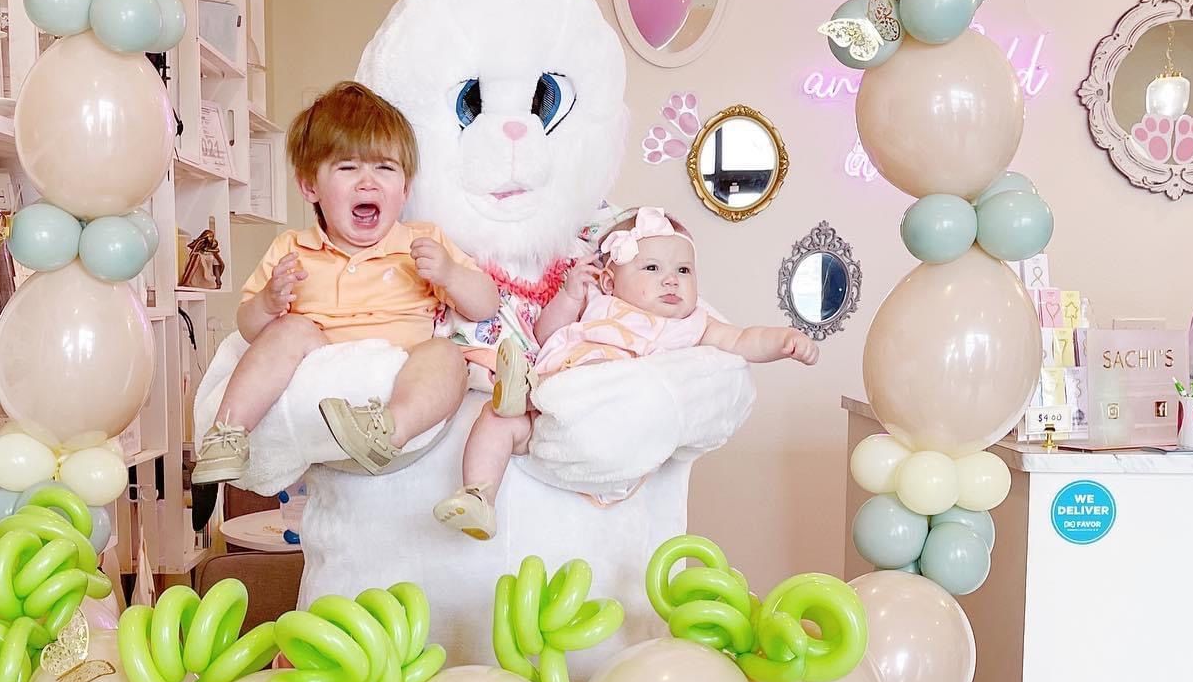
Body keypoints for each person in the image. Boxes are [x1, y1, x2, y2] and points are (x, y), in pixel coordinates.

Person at [433, 207, 819, 539]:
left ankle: (525, 392)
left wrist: (783, 341)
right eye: (652, 268)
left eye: (683, 269)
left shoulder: (690, 324)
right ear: (608, 280)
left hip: (601, 409)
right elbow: (546, 335)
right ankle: (478, 494)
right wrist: (569, 296)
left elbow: (741, 341)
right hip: (546, 412)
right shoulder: (597, 302)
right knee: (497, 420)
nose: (671, 279)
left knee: (600, 382)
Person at [192, 82, 500, 483]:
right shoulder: (292, 250)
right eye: (348, 167)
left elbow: (485, 305)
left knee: (445, 354)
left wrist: (450, 274)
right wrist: (268, 304)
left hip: (398, 378)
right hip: (321, 378)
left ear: (405, 189)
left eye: (384, 168)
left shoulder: (421, 242)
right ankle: (228, 435)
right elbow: (249, 329)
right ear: (309, 186)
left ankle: (390, 432)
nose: (367, 182)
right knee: (288, 330)